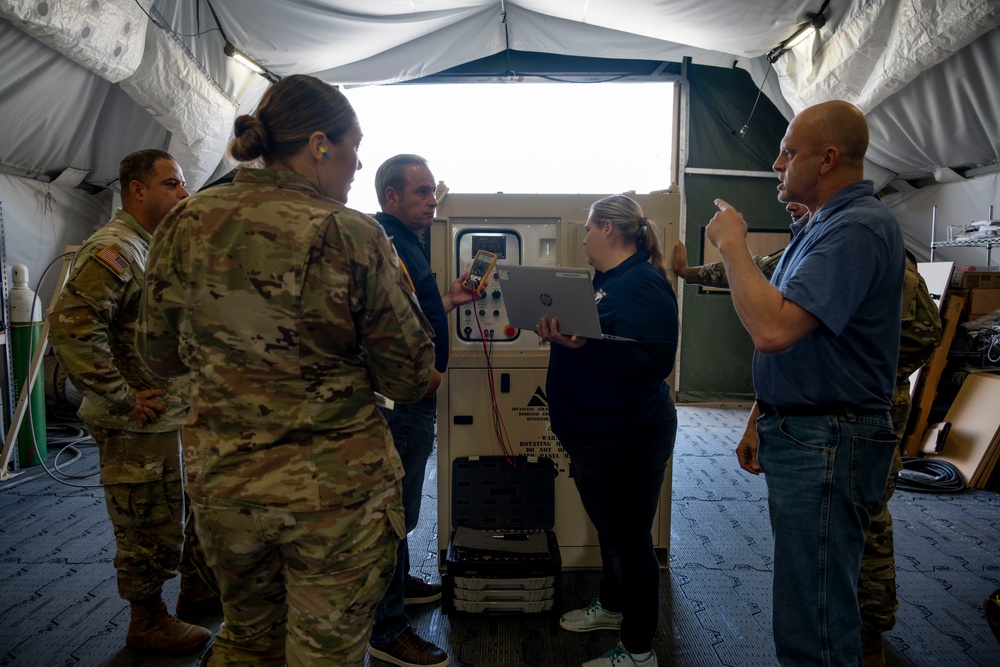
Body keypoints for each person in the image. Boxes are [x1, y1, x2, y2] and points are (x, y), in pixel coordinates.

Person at [137, 74, 438, 666]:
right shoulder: (351, 234)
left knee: (247, 642)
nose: (358, 166)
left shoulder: (185, 222)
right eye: (354, 147)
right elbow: (408, 375)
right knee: (325, 653)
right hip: (333, 501)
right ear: (320, 145)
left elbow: (158, 354)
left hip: (226, 492)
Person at [674, 203, 942, 667]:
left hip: (862, 407)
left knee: (866, 521)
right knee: (815, 555)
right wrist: (690, 272)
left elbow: (924, 334)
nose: (782, 186)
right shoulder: (809, 244)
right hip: (811, 408)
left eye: (791, 161)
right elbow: (760, 268)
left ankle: (871, 630)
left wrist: (865, 371)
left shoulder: (863, 246)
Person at [705, 100, 905, 666]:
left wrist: (732, 244)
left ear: (827, 159)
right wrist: (760, 415)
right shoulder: (822, 227)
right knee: (807, 601)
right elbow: (801, 336)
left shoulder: (858, 228)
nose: (775, 162)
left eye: (788, 152)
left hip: (829, 440)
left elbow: (772, 327)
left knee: (814, 619)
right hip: (805, 430)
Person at [47, 149, 215, 654]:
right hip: (135, 419)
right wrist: (120, 397)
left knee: (174, 509)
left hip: (163, 413)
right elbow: (72, 326)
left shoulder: (151, 246)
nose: (183, 193)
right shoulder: (115, 249)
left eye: (183, 184)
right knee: (145, 522)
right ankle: (147, 620)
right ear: (137, 190)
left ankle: (195, 590)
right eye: (172, 184)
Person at [536, 195, 678, 667]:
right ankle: (614, 605)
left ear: (610, 230)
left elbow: (652, 361)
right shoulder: (606, 281)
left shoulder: (644, 284)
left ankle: (639, 651)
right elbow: (598, 342)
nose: (583, 238)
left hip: (628, 436)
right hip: (594, 433)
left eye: (588, 230)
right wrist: (562, 337)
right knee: (611, 531)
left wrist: (581, 346)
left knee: (631, 540)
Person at [368, 154, 475, 667]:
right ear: (391, 197)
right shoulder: (383, 242)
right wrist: (425, 376)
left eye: (433, 191)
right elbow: (383, 327)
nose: (433, 200)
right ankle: (385, 631)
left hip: (413, 397)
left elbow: (409, 310)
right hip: (402, 401)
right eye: (422, 192)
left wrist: (448, 301)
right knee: (393, 514)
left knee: (401, 511)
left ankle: (401, 586)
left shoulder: (403, 242)